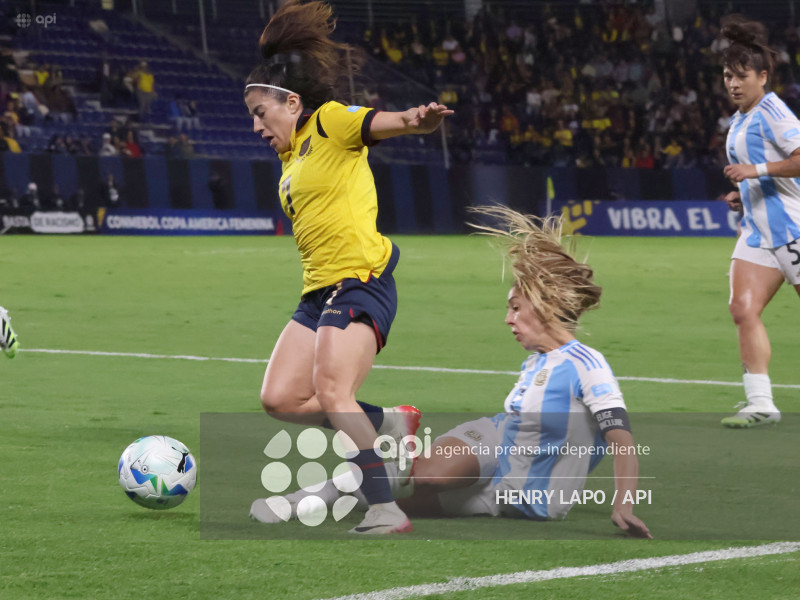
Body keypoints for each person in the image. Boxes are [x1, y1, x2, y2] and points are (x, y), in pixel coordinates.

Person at [252, 207, 651, 539]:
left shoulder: (587, 364)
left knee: (405, 497)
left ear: (544, 305)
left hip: (520, 500)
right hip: (494, 443)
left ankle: (361, 467)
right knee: (427, 477)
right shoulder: (537, 362)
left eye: (515, 308)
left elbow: (621, 438)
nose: (508, 319)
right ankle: (298, 501)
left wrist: (623, 505)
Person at [245, 0, 452, 535]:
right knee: (280, 399)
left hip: (360, 280)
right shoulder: (291, 157)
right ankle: (391, 421)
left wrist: (415, 121)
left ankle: (385, 507)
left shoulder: (331, 121)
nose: (255, 126)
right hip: (318, 293)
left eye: (260, 114)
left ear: (291, 102)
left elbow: (381, 124)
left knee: (333, 391)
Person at [719, 15, 800, 428]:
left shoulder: (773, 110)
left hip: (793, 230)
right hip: (758, 233)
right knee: (742, 308)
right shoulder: (739, 120)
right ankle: (761, 403)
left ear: (762, 76)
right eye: (727, 76)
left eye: (741, 76)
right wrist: (743, 194)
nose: (733, 83)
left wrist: (755, 172)